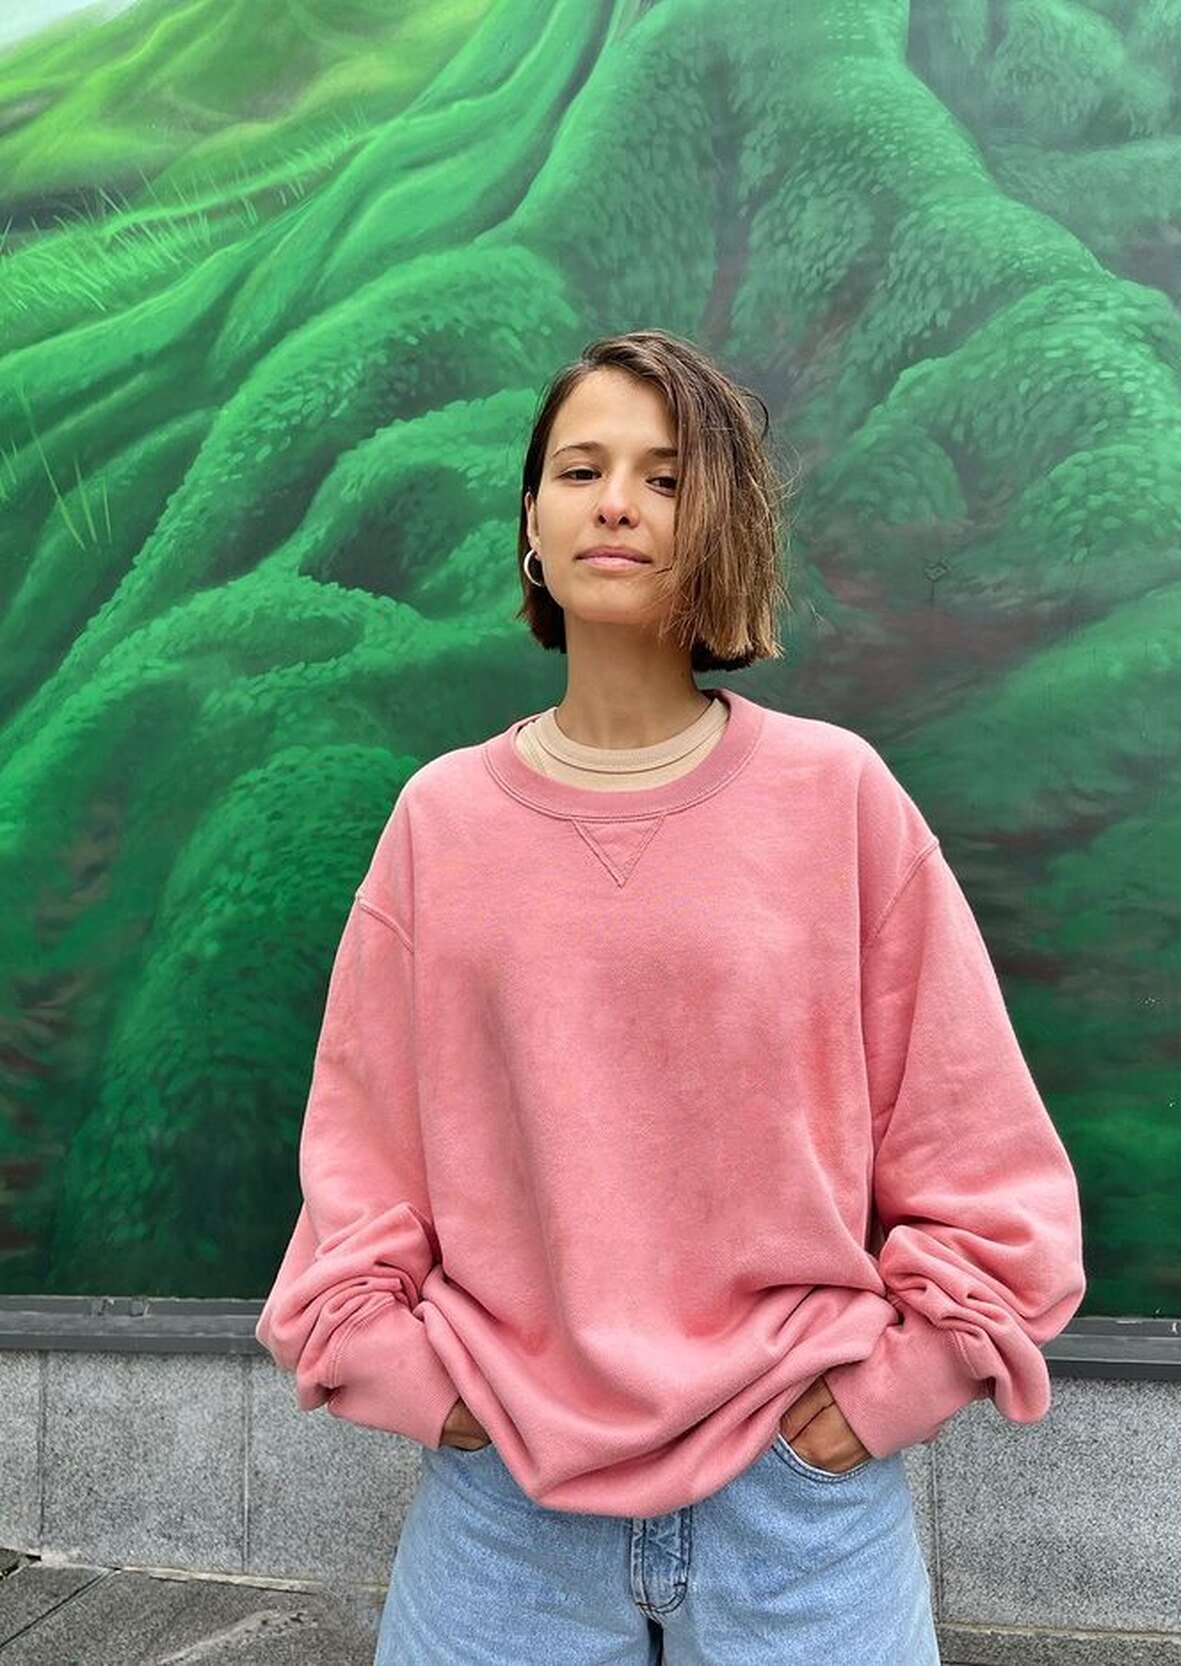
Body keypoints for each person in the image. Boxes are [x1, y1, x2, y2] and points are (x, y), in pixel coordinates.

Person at [255, 328, 1086, 1664]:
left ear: (719, 524)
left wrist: (884, 1396)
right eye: (581, 468)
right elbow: (363, 1160)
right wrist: (429, 1391)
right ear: (532, 522)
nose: (618, 502)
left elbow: (976, 1142)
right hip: (504, 1507)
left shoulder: (837, 796)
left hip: (798, 1508)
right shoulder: (441, 821)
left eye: (664, 475)